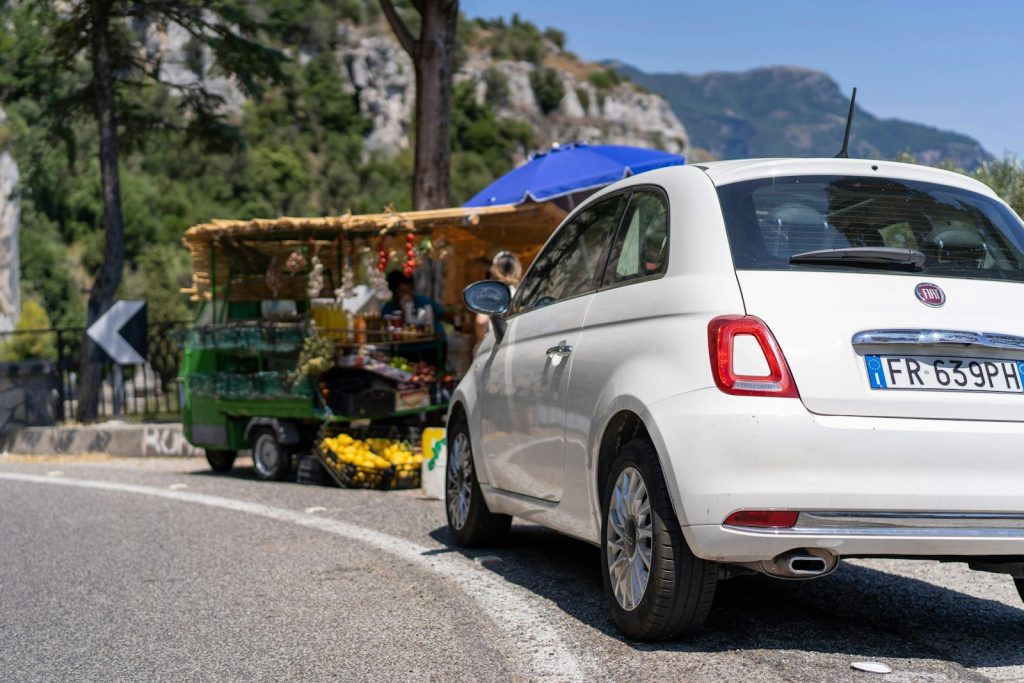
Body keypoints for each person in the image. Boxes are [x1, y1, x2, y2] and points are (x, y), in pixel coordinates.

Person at [381, 270, 446, 365]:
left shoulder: (425, 302)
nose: (407, 294)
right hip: (406, 351)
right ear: (394, 291)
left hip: (430, 348)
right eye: (402, 291)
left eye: (410, 290)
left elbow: (443, 315)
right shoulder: (388, 308)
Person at [474, 250, 522, 348]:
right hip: (515, 345)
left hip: (494, 345)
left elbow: (481, 321)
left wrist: (481, 341)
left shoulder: (492, 292)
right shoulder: (520, 292)